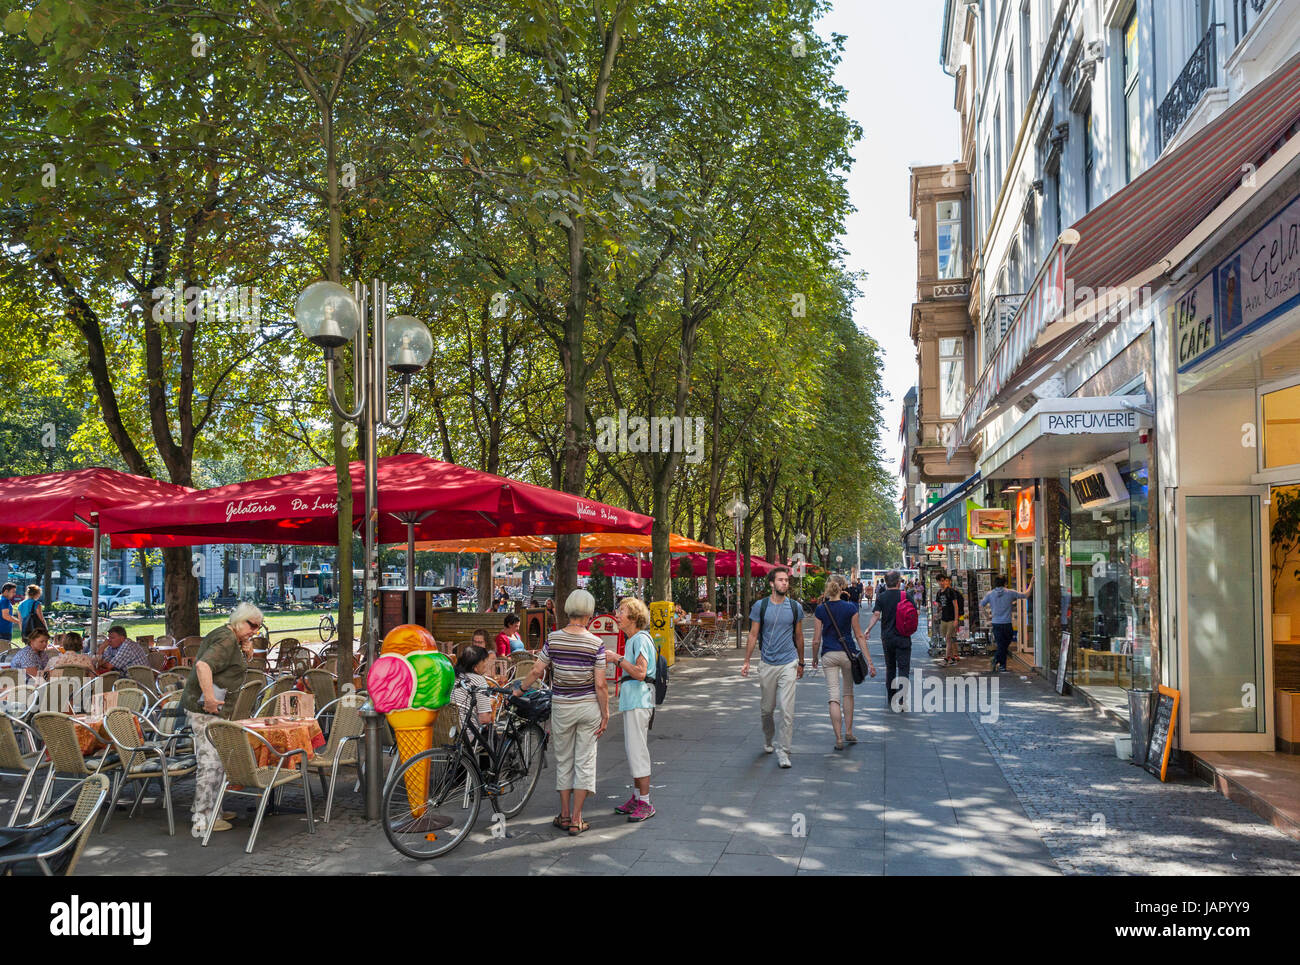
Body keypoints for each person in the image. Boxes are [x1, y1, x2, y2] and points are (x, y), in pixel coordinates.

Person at [513, 588, 608, 836]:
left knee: (564, 760)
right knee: (585, 761)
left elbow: (537, 670)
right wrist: (606, 712)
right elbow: (600, 684)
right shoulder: (596, 643)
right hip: (588, 707)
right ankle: (578, 818)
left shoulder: (554, 639)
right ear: (589, 613)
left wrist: (520, 690)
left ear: (567, 610)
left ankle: (564, 815)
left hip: (562, 707)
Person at [179, 602, 261, 838]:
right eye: (251, 625)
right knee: (211, 762)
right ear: (240, 620)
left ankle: (214, 809)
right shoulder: (226, 639)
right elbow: (204, 665)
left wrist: (244, 647)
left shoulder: (227, 635)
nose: (255, 630)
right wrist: (209, 698)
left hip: (210, 710)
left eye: (258, 627)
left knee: (218, 760)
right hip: (206, 710)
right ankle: (203, 818)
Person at [741, 566, 804, 769]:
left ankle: (783, 751)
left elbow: (799, 636)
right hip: (767, 663)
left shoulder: (795, 607)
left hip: (788, 662)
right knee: (767, 710)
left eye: (786, 580)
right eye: (780, 580)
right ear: (771, 583)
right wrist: (747, 660)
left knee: (787, 710)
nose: (784, 583)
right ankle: (768, 738)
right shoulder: (761, 606)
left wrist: (801, 661)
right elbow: (752, 634)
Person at [811, 575, 875, 750]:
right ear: (843, 588)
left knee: (833, 696)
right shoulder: (850, 608)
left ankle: (838, 738)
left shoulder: (820, 610)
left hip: (828, 654)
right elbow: (859, 635)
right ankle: (848, 731)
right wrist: (869, 661)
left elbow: (816, 640)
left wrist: (814, 657)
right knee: (848, 693)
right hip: (848, 654)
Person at [609, 597, 656, 822]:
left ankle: (645, 802)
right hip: (634, 700)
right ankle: (637, 797)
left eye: (622, 611)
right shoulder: (634, 640)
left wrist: (617, 660)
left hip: (639, 700)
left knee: (637, 751)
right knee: (633, 750)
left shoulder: (639, 639)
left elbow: (639, 672)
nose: (617, 615)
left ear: (634, 617)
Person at [863, 570, 913, 712]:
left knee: (890, 668)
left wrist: (868, 629)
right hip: (903, 637)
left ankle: (891, 698)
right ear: (899, 582)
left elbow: (876, 615)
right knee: (903, 669)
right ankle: (902, 701)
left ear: (885, 582)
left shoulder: (882, 597)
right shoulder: (906, 596)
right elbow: (914, 613)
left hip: (888, 637)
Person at [981, 575, 1034, 673]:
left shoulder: (990, 594)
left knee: (1001, 645)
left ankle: (997, 661)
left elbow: (981, 605)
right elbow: (1026, 595)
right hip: (1007, 623)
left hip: (996, 623)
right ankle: (1001, 664)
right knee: (1005, 644)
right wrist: (1031, 583)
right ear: (1005, 583)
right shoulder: (1010, 592)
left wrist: (987, 616)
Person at [451, 644, 495, 734]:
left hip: (447, 733)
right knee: (492, 734)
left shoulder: (453, 676)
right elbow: (484, 719)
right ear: (475, 666)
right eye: (484, 661)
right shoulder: (479, 680)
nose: (486, 664)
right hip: (466, 735)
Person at [936, 573, 966, 666]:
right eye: (940, 581)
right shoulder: (939, 593)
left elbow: (955, 606)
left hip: (952, 619)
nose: (942, 583)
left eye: (943, 580)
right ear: (937, 582)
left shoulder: (951, 592)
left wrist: (956, 619)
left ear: (945, 581)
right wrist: (938, 611)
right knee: (947, 638)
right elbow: (940, 605)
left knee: (948, 638)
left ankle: (946, 659)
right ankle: (952, 658)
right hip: (944, 619)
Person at [0, 583, 19, 649]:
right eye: (13, 592)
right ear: (6, 591)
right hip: (3, 632)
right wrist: (19, 622)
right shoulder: (5, 600)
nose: (14, 594)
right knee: (4, 655)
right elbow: (6, 616)